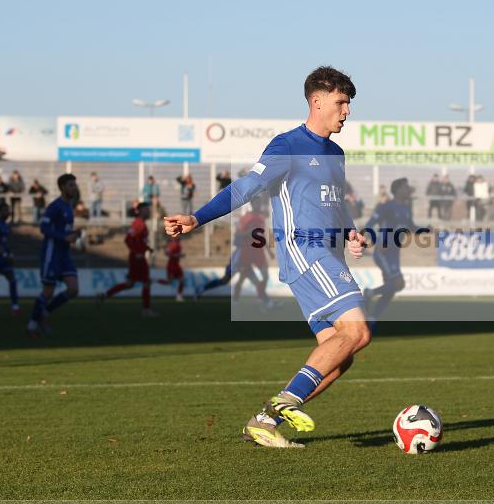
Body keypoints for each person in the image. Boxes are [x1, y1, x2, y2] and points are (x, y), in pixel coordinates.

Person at [164, 66, 368, 449]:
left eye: (349, 104)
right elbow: (245, 188)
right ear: (317, 100)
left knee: (341, 355)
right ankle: (283, 403)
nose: (347, 111)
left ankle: (264, 422)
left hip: (326, 253)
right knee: (358, 331)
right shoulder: (287, 145)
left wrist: (352, 231)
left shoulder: (335, 153)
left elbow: (334, 205)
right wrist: (196, 217)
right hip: (307, 252)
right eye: (341, 102)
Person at [27, 174, 83, 338]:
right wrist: (64, 237)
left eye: (74, 185)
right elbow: (43, 228)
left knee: (73, 289)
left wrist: (74, 235)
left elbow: (63, 230)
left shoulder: (68, 207)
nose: (74, 188)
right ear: (62, 187)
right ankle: (31, 325)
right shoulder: (55, 206)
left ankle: (45, 313)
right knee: (48, 292)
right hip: (51, 254)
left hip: (64, 255)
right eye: (71, 185)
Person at [363, 178, 425, 324]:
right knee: (397, 283)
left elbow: (411, 227)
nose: (408, 189)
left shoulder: (406, 208)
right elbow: (370, 224)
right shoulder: (387, 206)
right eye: (405, 187)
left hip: (394, 253)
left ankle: (372, 317)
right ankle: (369, 294)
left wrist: (427, 229)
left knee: (393, 288)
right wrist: (375, 241)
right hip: (383, 251)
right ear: (397, 190)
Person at [97, 202, 158, 317]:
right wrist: (137, 253)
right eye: (146, 209)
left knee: (130, 284)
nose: (149, 211)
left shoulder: (141, 224)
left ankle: (105, 295)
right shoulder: (138, 224)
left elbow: (138, 241)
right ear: (139, 211)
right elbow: (128, 239)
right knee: (146, 282)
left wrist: (147, 248)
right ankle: (146, 310)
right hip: (137, 258)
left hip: (137, 256)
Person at [0, 203, 21, 314]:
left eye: (8, 210)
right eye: (5, 210)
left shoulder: (6, 225)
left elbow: (5, 243)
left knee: (12, 279)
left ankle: (15, 306)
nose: (8, 212)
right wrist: (6, 255)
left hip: (4, 258)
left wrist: (9, 254)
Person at [157, 236, 186, 302]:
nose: (179, 237)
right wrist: (178, 255)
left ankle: (179, 295)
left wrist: (179, 255)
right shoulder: (171, 244)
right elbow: (167, 253)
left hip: (177, 265)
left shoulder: (178, 244)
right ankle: (155, 281)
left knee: (182, 280)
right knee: (169, 282)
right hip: (171, 265)